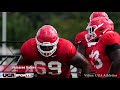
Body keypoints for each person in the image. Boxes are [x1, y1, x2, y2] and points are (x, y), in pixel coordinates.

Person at [17, 25, 90, 78]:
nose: (47, 49)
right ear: (37, 43)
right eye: (43, 47)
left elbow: (85, 65)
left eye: (50, 47)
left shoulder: (66, 48)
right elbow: (20, 68)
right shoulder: (29, 49)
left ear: (56, 43)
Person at [75, 12, 109, 77]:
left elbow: (79, 58)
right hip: (105, 71)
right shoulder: (111, 36)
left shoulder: (83, 36)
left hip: (90, 72)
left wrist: (79, 72)